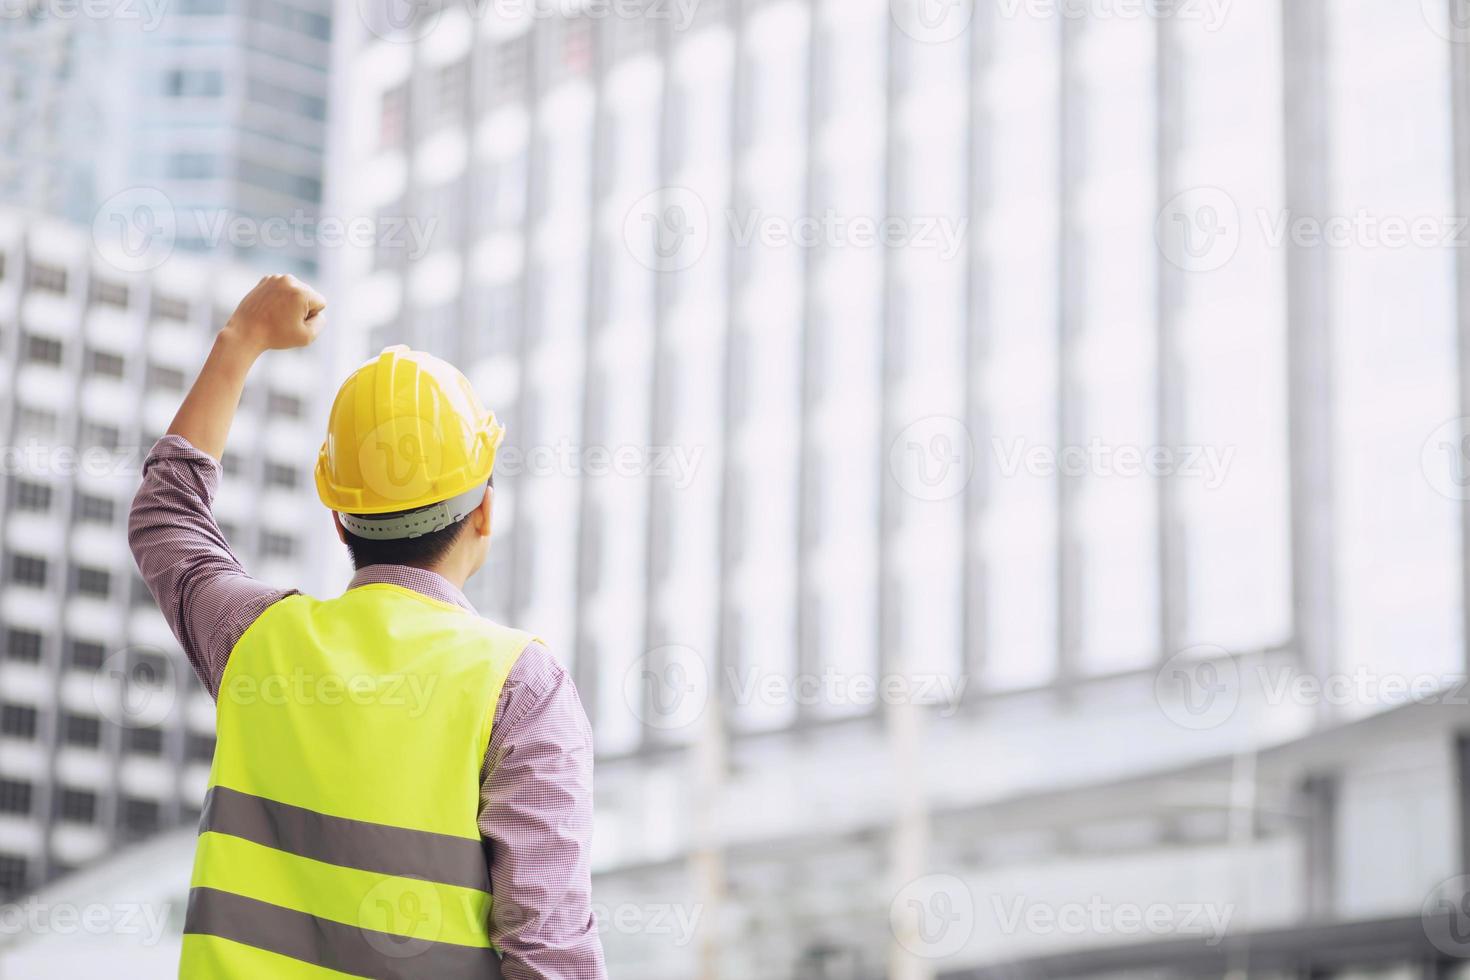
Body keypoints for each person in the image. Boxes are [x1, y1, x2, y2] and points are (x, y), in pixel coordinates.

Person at [129, 274, 606, 979]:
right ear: (484, 513)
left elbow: (167, 516)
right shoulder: (521, 689)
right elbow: (549, 954)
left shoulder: (257, 641)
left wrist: (243, 340)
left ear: (338, 517)